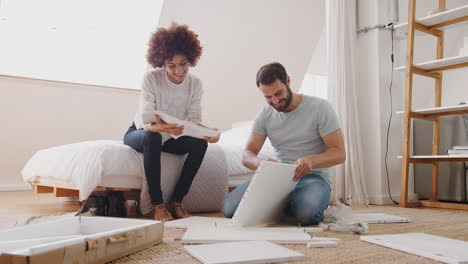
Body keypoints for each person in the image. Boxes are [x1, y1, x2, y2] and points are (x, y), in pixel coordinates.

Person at [221, 62, 346, 225]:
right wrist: (262, 163)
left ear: (287, 81)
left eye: (278, 93)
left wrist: (310, 161)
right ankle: (286, 203)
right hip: (278, 179)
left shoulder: (320, 107)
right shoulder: (265, 115)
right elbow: (247, 155)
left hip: (314, 177)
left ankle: (284, 204)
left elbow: (339, 153)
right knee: (229, 208)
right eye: (268, 97)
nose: (275, 100)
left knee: (307, 214)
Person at [124, 23, 219, 221]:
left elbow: (193, 120)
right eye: (172, 65)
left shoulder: (195, 84)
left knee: (200, 144)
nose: (179, 70)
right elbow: (146, 120)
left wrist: (209, 132)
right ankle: (157, 205)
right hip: (142, 132)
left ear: (191, 59)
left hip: (173, 133)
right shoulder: (150, 78)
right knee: (153, 137)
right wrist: (161, 128)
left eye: (184, 64)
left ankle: (176, 202)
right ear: (162, 63)